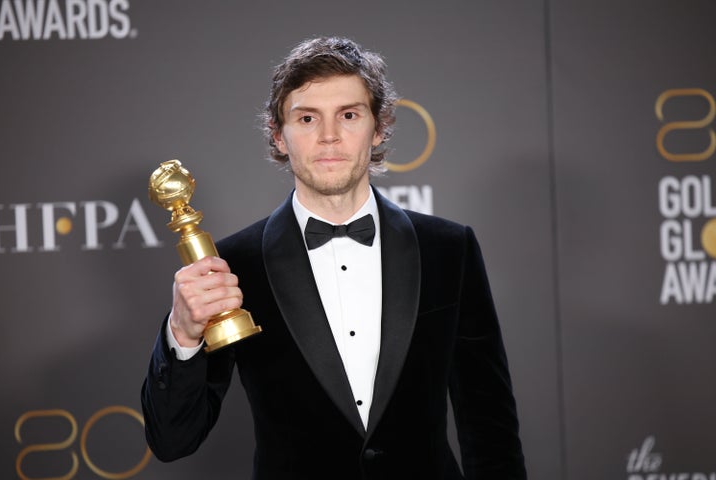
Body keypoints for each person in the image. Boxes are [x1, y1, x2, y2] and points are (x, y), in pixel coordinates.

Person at [141, 36, 527, 479]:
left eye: (348, 115)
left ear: (379, 127)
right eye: (307, 118)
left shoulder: (448, 249)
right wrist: (183, 333)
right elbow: (172, 440)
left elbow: (490, 426)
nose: (329, 136)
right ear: (278, 135)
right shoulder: (231, 266)